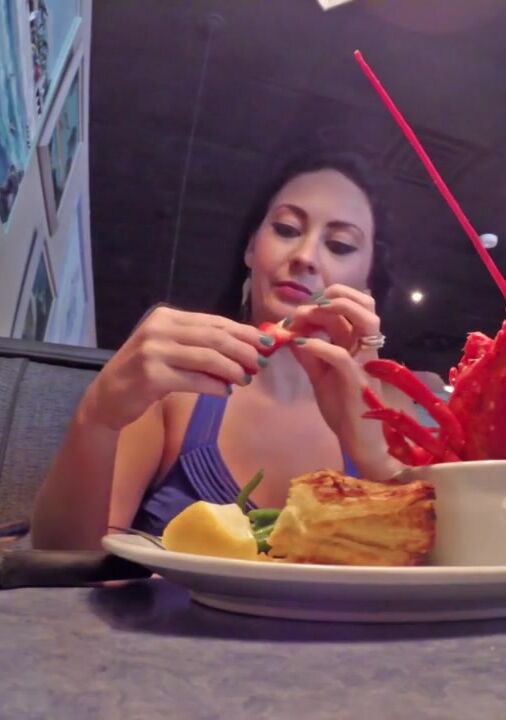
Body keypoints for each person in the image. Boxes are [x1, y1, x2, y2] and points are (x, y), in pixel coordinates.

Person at [32, 150, 400, 549]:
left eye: (340, 245)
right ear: (251, 248)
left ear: (366, 286)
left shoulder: (396, 410)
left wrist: (378, 462)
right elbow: (65, 559)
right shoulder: (175, 381)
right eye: (286, 228)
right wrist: (96, 415)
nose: (305, 257)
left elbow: (434, 564)